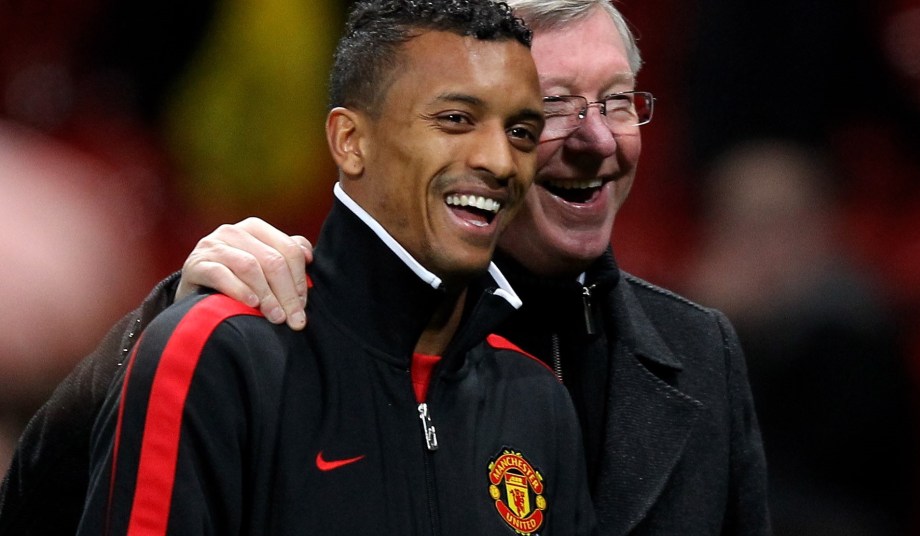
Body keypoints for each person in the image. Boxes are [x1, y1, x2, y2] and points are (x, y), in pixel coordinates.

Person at [1, 0, 770, 534]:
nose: (598, 140)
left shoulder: (697, 353)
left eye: (619, 101)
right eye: (557, 106)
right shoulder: (249, 343)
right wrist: (161, 330)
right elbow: (38, 510)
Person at [71, 0, 598, 533]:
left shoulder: (538, 401)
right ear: (350, 141)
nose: (501, 162)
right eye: (456, 120)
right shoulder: (217, 354)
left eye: (521, 133)